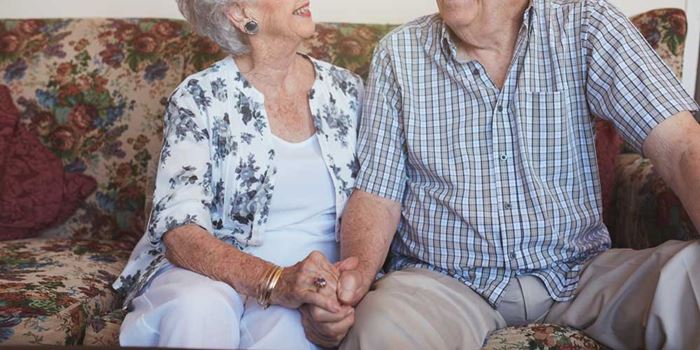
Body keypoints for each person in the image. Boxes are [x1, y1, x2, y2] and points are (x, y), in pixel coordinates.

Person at [299, 0, 700, 349]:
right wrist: (351, 285)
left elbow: (682, 147)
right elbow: (377, 195)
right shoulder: (398, 55)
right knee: (378, 327)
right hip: (445, 284)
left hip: (581, 274)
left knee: (692, 278)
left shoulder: (586, 26)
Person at [112, 0, 363, 348]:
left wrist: (335, 292)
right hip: (210, 271)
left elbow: (380, 201)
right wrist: (274, 281)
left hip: (315, 282)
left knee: (288, 331)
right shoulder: (198, 97)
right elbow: (179, 231)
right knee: (198, 308)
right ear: (241, 13)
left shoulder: (348, 92)